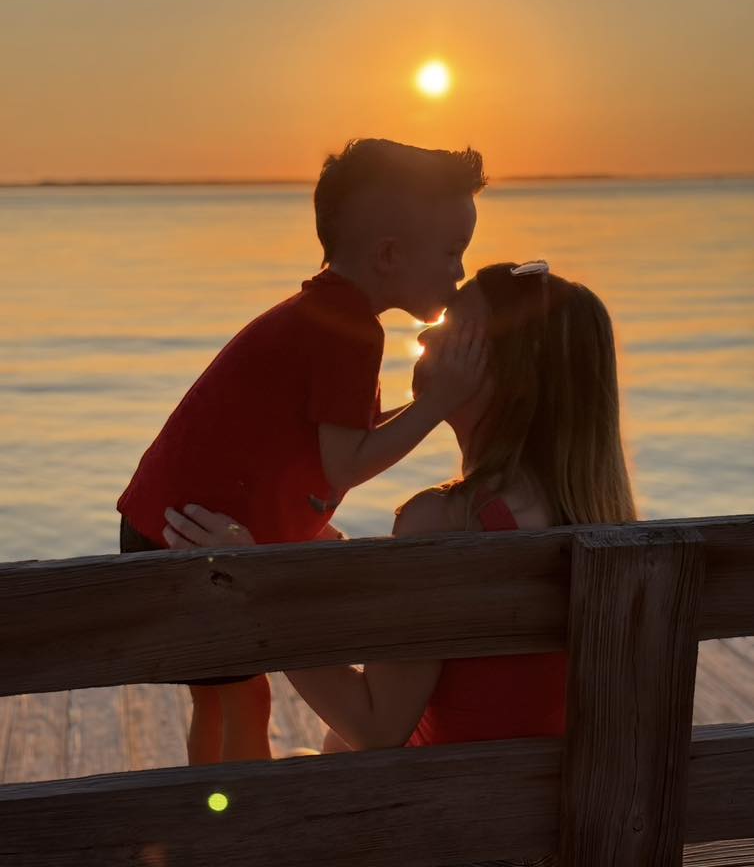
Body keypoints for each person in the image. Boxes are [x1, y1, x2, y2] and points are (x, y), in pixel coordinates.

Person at [165, 261, 636, 865]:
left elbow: (376, 725)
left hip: (445, 829)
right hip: (542, 822)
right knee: (321, 757)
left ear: (503, 373)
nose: (426, 334)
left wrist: (252, 587)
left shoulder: (443, 522)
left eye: (454, 329)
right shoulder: (597, 517)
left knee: (295, 778)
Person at [116, 138, 488, 765]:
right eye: (452, 253)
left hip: (174, 529)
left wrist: (433, 404)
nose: (458, 274)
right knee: (240, 699)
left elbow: (339, 442)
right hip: (195, 540)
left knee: (225, 696)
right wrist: (434, 405)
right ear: (390, 255)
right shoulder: (348, 332)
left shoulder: (326, 315)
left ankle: (213, 819)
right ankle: (234, 828)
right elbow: (348, 463)